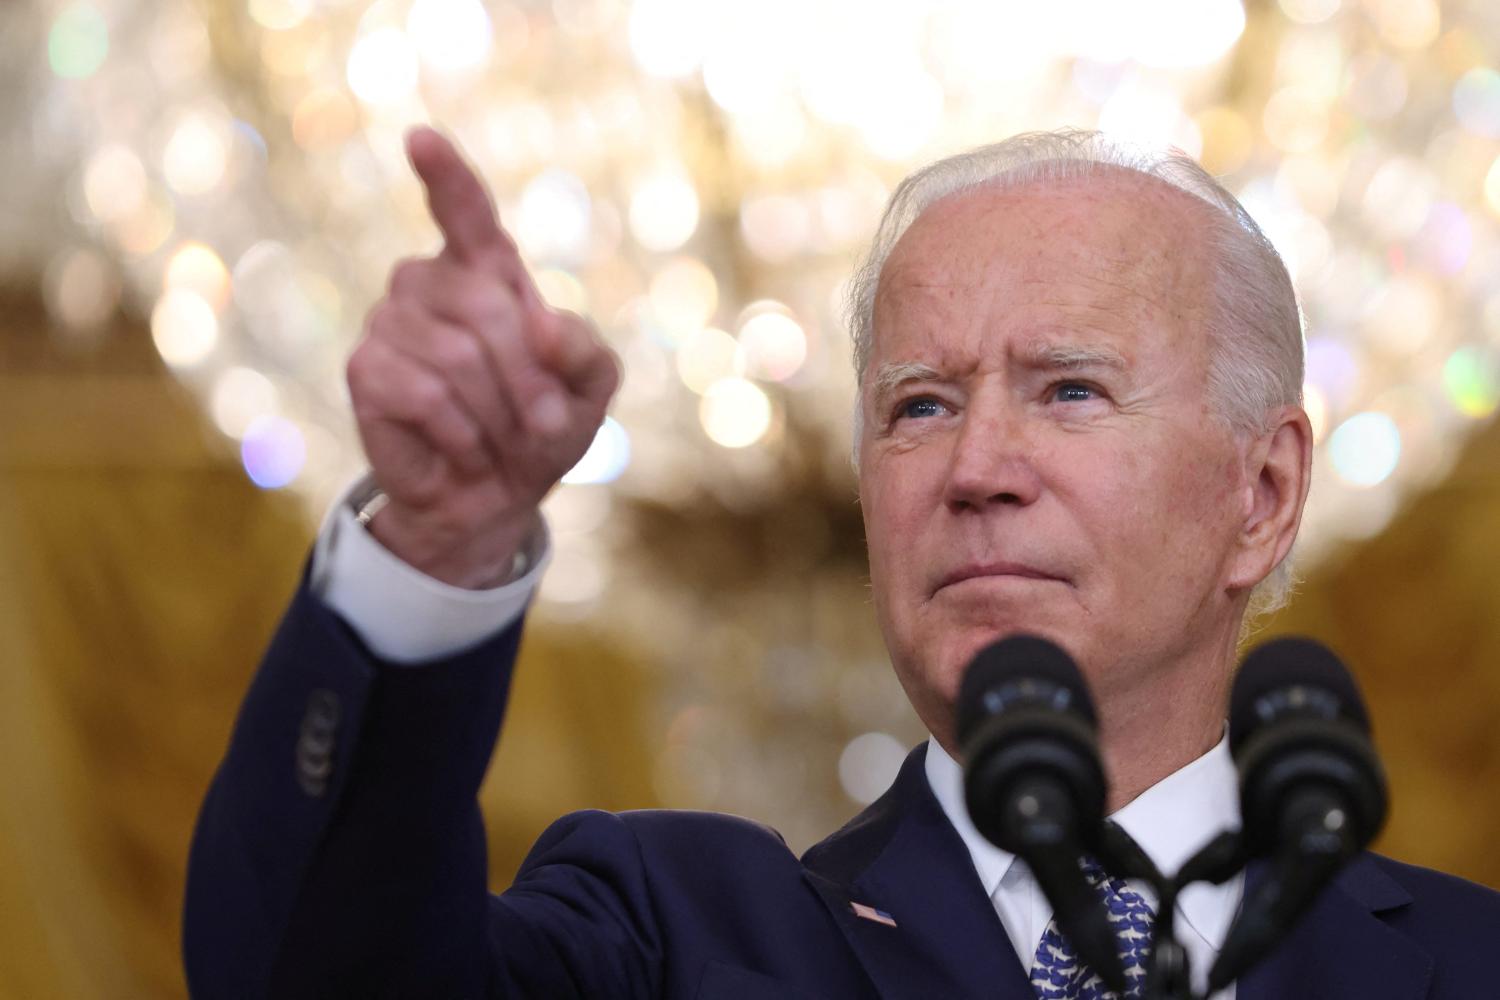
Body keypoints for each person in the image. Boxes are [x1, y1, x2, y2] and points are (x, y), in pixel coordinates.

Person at [184, 127, 1500, 999]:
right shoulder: (676, 942)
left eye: (1072, 392)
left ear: (1264, 495)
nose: (976, 465)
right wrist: (434, 549)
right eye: (919, 405)